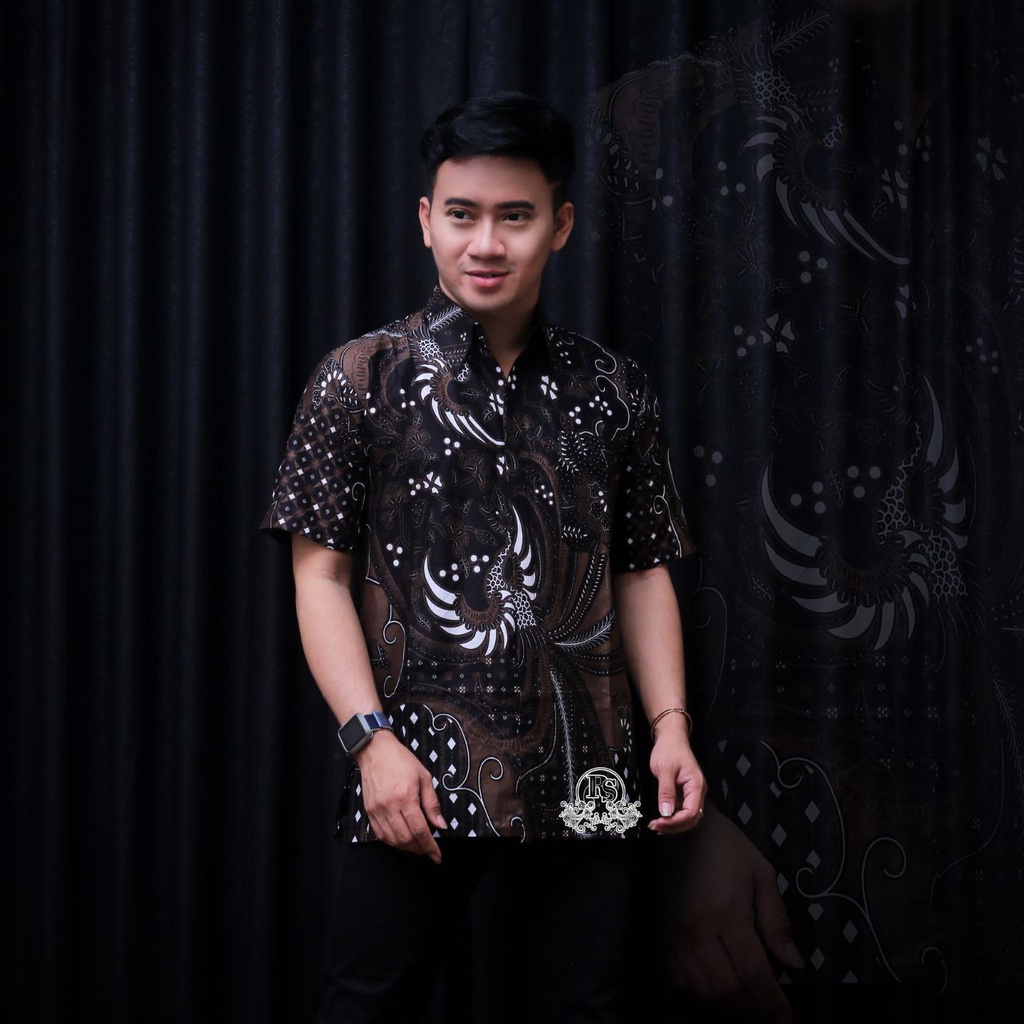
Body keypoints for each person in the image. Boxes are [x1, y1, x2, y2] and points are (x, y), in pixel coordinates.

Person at [261, 90, 706, 1023]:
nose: (486, 244)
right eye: (462, 215)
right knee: (366, 1005)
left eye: (516, 216)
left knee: (589, 1009)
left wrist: (671, 727)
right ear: (426, 220)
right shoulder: (356, 380)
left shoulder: (615, 389)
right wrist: (370, 743)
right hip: (413, 770)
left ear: (561, 225)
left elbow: (641, 568)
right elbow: (319, 578)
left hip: (590, 772)